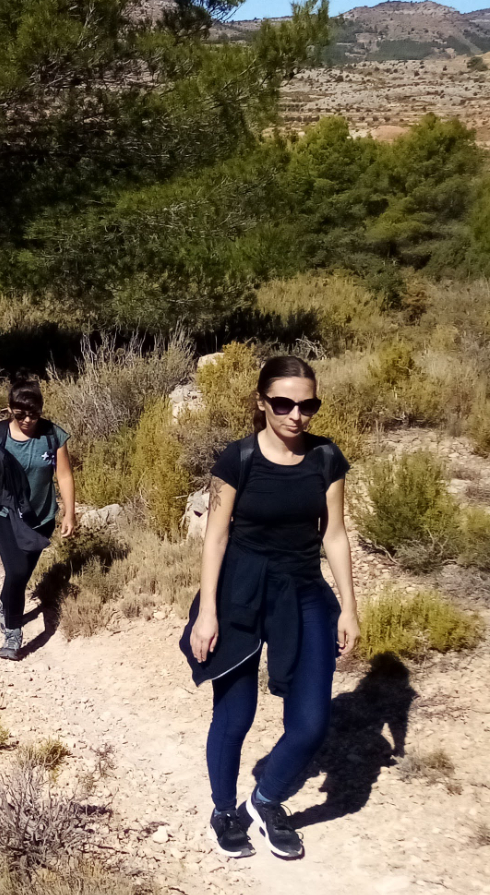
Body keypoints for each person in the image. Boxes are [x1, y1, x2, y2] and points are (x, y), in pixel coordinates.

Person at [182, 356, 357, 863]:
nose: (295, 415)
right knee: (235, 716)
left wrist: (348, 607)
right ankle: (223, 810)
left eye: (307, 405)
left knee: (309, 724)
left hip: (303, 591)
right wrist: (207, 612)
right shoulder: (237, 460)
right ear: (261, 402)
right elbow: (214, 539)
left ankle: (264, 801)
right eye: (283, 403)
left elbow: (336, 535)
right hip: (240, 590)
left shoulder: (327, 459)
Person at [0, 379, 75, 659]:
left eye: (34, 414)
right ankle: (13, 632)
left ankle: (3, 604)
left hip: (40, 516)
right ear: (9, 410)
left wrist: (70, 512)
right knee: (16, 572)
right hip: (2, 512)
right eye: (20, 414)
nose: (28, 420)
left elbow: (63, 475)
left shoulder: (53, 435)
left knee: (21, 575)